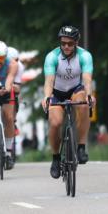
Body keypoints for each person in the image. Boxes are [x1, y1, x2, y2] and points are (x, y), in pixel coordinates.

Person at [41, 25, 94, 179]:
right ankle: (56, 158)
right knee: (56, 122)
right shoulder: (52, 56)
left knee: (83, 103)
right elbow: (49, 81)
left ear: (76, 43)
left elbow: (87, 79)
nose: (66, 46)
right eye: (63, 43)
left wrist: (89, 95)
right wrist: (47, 97)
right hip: (57, 92)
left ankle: (81, 147)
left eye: (70, 43)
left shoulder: (85, 56)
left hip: (76, 90)